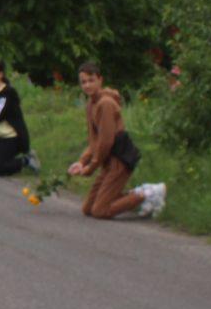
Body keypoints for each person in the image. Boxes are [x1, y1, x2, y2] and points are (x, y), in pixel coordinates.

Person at [67, 61, 165, 219]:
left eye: (91, 80)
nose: (87, 85)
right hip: (108, 161)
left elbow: (106, 141)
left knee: (100, 211)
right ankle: (137, 194)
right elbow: (94, 140)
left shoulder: (105, 104)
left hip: (120, 158)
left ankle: (148, 193)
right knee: (88, 208)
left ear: (100, 80)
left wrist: (91, 167)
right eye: (83, 82)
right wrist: (81, 162)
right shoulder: (90, 104)